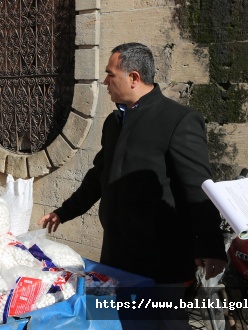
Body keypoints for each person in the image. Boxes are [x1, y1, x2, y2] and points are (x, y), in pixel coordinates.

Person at [38, 43, 227, 329]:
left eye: (110, 75)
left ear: (134, 78)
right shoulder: (114, 122)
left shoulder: (178, 121)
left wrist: (211, 246)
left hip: (160, 260)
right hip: (116, 253)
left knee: (164, 323)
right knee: (108, 322)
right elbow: (98, 177)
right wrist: (63, 212)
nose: (105, 82)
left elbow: (198, 188)